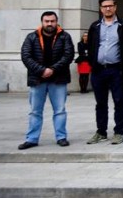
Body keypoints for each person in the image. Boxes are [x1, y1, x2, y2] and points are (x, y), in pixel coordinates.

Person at [19, 11, 75, 150]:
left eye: (52, 21)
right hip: (37, 80)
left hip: (58, 79)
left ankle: (61, 137)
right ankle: (32, 139)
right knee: (35, 111)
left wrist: (53, 69)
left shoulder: (65, 37)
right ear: (42, 22)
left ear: (56, 22)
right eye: (47, 21)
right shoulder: (31, 37)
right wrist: (41, 70)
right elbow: (26, 56)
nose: (49, 24)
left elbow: (68, 55)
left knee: (60, 110)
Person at [86, 0, 123, 145]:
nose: (108, 8)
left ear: (115, 7)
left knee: (119, 101)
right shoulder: (95, 27)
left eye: (110, 6)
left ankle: (118, 132)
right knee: (100, 103)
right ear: (100, 9)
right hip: (99, 70)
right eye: (104, 6)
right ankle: (101, 132)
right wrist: (92, 63)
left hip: (117, 70)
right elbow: (90, 47)